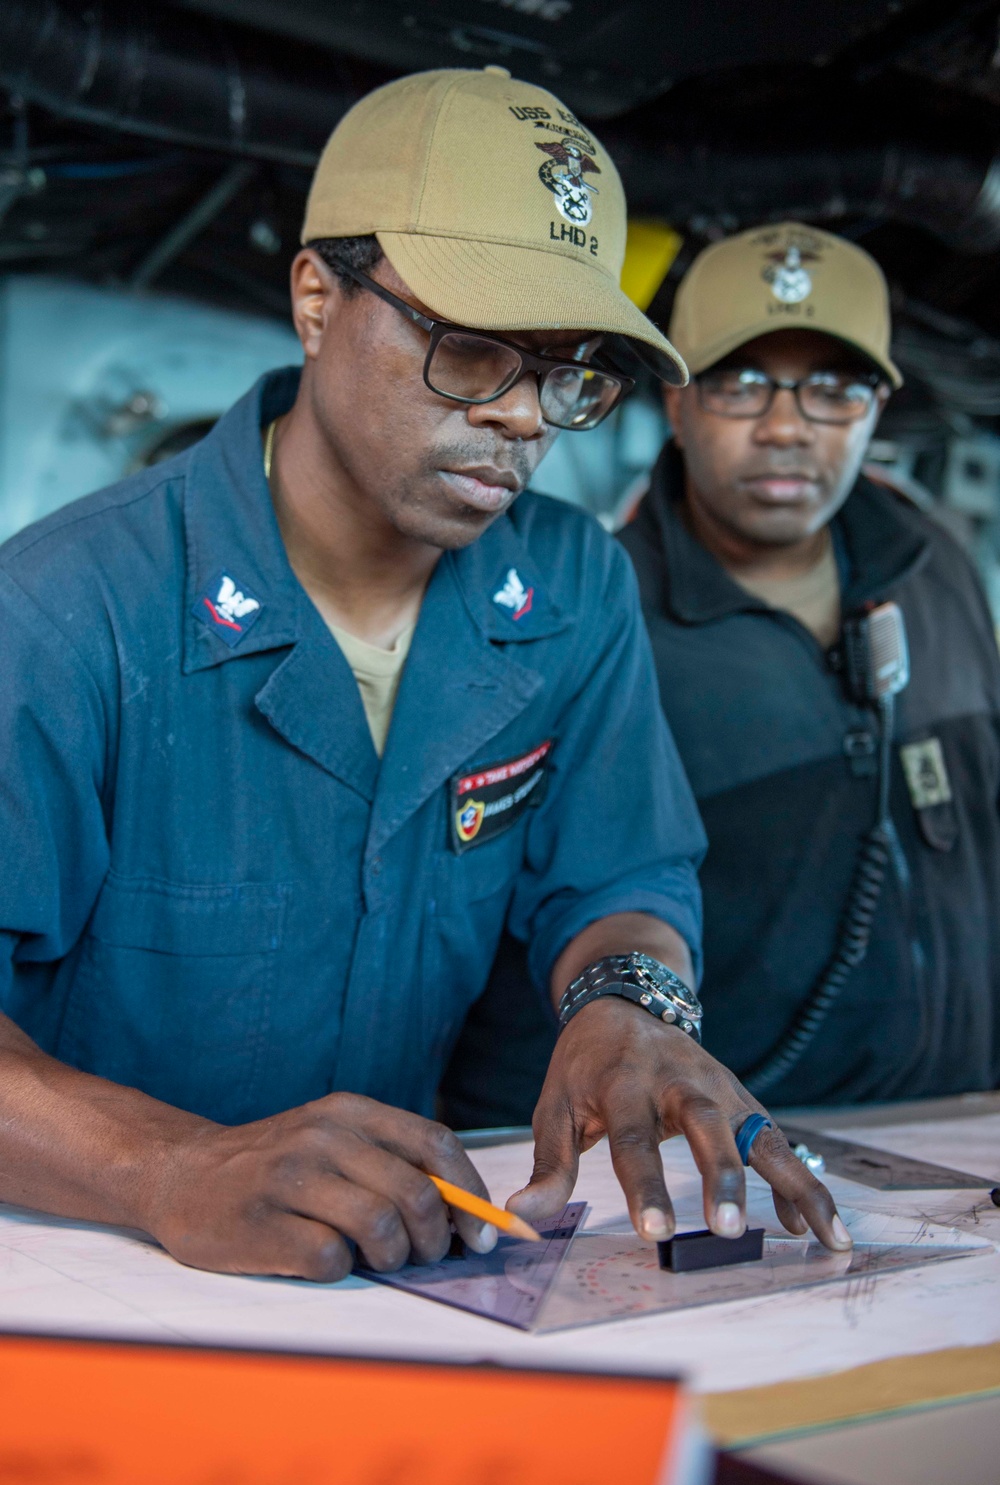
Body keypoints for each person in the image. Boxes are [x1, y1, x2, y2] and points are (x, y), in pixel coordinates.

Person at [0, 77, 848, 1280]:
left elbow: (617, 874)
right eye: (468, 348)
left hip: (398, 1272)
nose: (520, 419)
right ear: (314, 300)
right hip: (100, 1275)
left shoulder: (570, 591)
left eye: (566, 371)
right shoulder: (64, 610)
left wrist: (629, 1004)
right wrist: (170, 1165)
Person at [621, 222, 1000, 1105]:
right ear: (676, 401)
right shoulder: (611, 621)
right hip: (746, 1174)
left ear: (876, 407)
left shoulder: (933, 563)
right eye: (741, 383)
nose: (787, 427)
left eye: (834, 388)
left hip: (970, 1134)